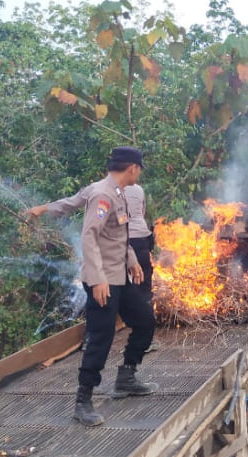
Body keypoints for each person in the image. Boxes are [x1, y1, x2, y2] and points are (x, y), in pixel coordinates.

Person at [72, 146, 158, 426]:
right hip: (103, 280)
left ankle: (127, 376)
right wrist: (97, 280)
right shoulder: (102, 195)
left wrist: (132, 259)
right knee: (101, 335)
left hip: (119, 274)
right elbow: (90, 237)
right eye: (140, 167)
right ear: (132, 167)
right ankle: (83, 400)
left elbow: (120, 235)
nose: (140, 171)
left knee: (145, 320)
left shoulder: (120, 192)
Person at [27, 179, 159, 355]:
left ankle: (91, 339)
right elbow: (139, 215)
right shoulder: (138, 189)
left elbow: (70, 203)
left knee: (101, 290)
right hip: (139, 240)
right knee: (142, 290)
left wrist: (43, 208)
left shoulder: (98, 189)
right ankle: (144, 341)